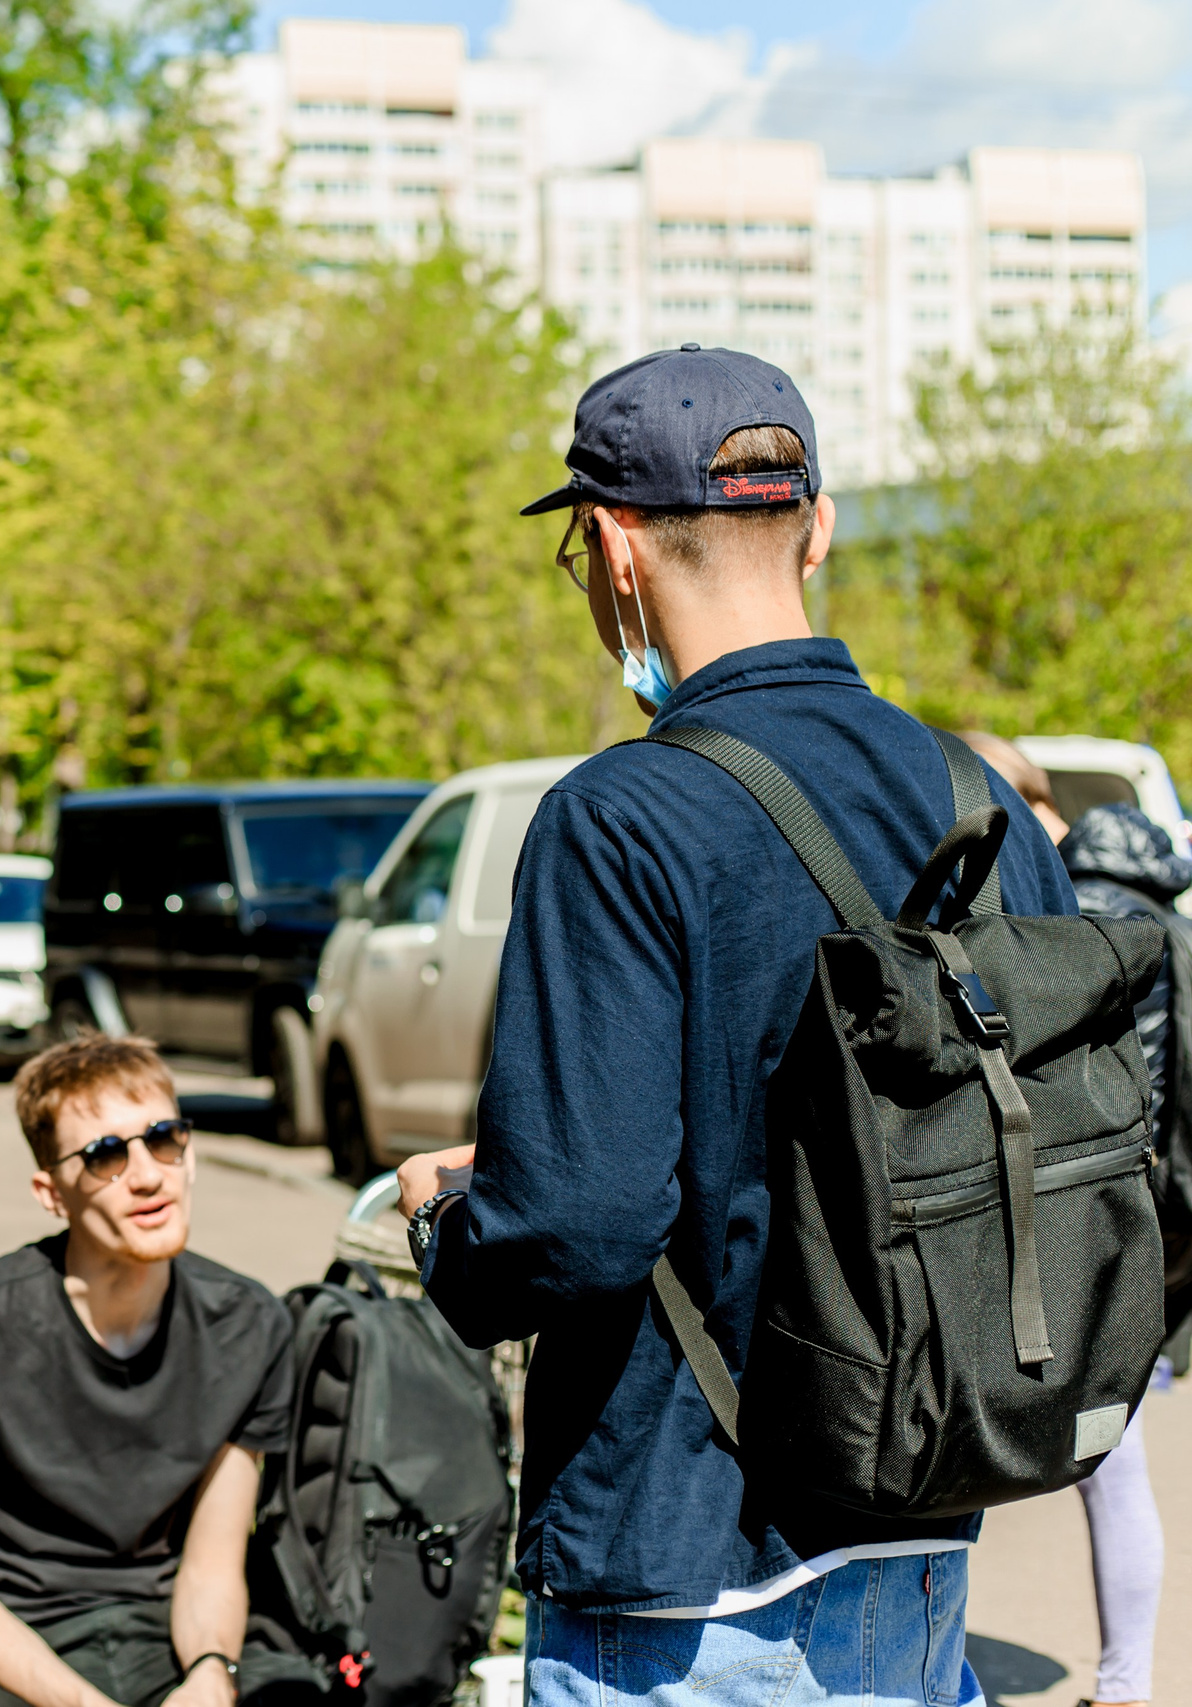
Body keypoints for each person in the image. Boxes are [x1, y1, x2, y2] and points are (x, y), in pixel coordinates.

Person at [394, 347, 1074, 1707]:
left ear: (610, 546)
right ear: (818, 528)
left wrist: (453, 1230)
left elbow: (583, 1221)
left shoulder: (618, 816)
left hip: (684, 1571)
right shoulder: (972, 796)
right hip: (923, 1530)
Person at [0, 1034, 325, 1707]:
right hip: (13, 1652)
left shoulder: (250, 1323)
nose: (148, 1174)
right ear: (51, 1192)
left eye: (165, 1138)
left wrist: (210, 1674)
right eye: (105, 1154)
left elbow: (211, 1564)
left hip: (168, 1637)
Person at [1048, 799, 1185, 1707]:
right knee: (1115, 1457)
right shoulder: (1176, 933)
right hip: (1159, 1225)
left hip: (1062, 1218)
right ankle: (1125, 1683)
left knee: (964, 1440)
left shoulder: (1052, 918)